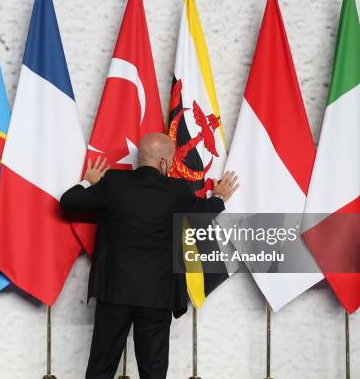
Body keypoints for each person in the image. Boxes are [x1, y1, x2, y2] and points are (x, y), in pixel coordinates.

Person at [60, 133, 239, 379]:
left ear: (140, 158)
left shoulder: (113, 182)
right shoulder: (177, 190)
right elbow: (203, 215)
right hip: (157, 296)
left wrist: (89, 181)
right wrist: (219, 196)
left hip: (114, 292)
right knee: (153, 371)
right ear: (164, 163)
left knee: (101, 368)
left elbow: (69, 203)